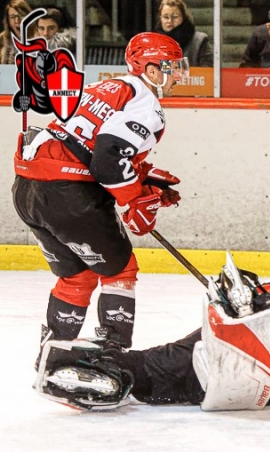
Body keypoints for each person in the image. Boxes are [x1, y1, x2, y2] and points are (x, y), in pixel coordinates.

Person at [34, 256, 270, 411]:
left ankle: (77, 367)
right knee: (210, 380)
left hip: (220, 336)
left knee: (155, 366)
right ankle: (235, 358)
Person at [12, 32, 188, 352]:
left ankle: (54, 353)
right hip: (69, 195)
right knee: (120, 269)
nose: (178, 73)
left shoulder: (102, 87)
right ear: (150, 70)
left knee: (78, 275)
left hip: (28, 190)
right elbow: (106, 163)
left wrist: (142, 175)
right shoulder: (146, 105)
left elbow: (84, 144)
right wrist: (135, 198)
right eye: (171, 66)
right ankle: (111, 355)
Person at [155, 0, 212, 67]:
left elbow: (208, 71)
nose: (170, 21)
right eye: (166, 17)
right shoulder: (154, 43)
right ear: (160, 18)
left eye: (175, 17)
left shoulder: (200, 40)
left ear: (183, 17)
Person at [0, 0, 31, 64]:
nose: (17, 21)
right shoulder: (2, 38)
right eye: (13, 17)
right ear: (8, 20)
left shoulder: (39, 36)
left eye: (21, 16)